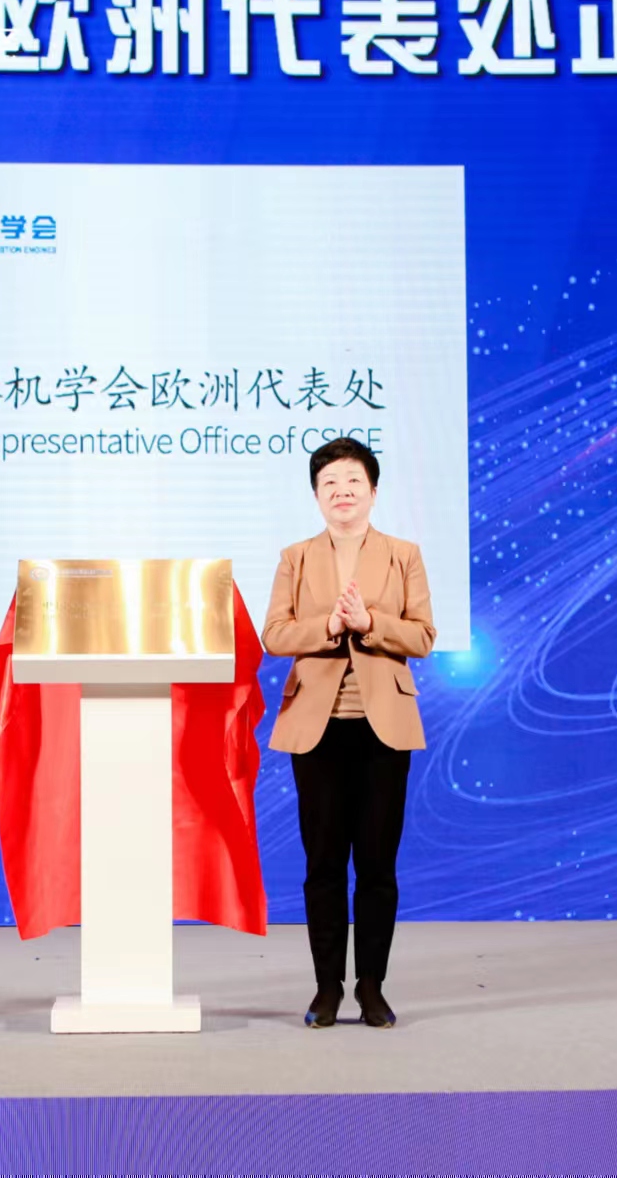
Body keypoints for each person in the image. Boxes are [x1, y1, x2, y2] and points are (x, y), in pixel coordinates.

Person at [262, 436, 436, 1029]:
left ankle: (372, 986)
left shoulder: (403, 555)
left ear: (373, 491)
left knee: (378, 865)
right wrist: (331, 626)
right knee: (324, 864)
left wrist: (370, 622)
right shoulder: (295, 557)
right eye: (330, 483)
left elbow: (423, 636)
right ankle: (326, 988)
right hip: (318, 729)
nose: (342, 491)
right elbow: (275, 635)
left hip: (384, 728)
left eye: (353, 481)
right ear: (317, 496)